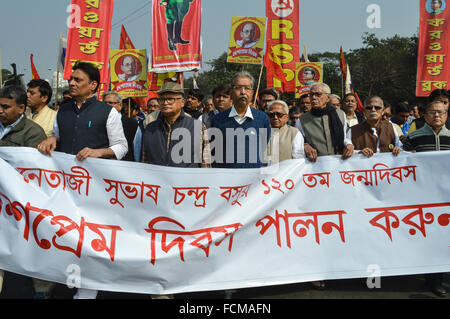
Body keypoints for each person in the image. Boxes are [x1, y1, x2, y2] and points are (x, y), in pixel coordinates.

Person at [37, 62, 127, 299]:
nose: (72, 83)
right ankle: (64, 281)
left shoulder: (109, 112)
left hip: (95, 189)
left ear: (93, 85)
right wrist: (52, 141)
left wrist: (99, 152)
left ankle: (89, 289)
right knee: (67, 234)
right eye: (72, 79)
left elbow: (121, 147)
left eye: (78, 80)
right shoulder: (63, 111)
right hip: (66, 187)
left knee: (90, 237)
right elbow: (56, 135)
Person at [0, 85, 48, 297]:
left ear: (21, 108)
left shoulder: (33, 133)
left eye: (5, 107)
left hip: (17, 205)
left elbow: (34, 174)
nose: (0, 110)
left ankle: (41, 289)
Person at [402, 100, 449, 297]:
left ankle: (437, 277)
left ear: (447, 115)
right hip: (423, 195)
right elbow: (402, 163)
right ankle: (431, 277)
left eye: (441, 112)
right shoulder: (413, 137)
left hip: (446, 195)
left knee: (443, 238)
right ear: (425, 115)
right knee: (428, 236)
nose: (437, 115)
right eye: (432, 112)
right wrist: (404, 154)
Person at [143, 81, 211, 168]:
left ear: (182, 102)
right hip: (157, 180)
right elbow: (144, 163)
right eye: (162, 99)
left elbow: (205, 162)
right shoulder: (150, 128)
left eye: (170, 99)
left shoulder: (197, 126)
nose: (165, 103)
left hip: (188, 180)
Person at [211, 71, 271, 168]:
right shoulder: (218, 119)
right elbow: (215, 152)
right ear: (231, 92)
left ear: (252, 93)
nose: (243, 92)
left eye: (247, 88)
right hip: (226, 179)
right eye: (238, 88)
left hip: (253, 178)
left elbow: (262, 145)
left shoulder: (262, 118)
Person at [296, 83, 354, 163]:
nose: (313, 97)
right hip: (316, 165)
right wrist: (305, 146)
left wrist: (349, 145)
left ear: (328, 98)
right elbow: (298, 144)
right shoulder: (302, 120)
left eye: (318, 94)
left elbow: (344, 137)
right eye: (311, 94)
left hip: (339, 162)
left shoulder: (340, 114)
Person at [103, 91, 138, 162]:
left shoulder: (132, 123)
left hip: (124, 164)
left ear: (120, 105)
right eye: (105, 103)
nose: (107, 106)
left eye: (110, 103)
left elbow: (136, 146)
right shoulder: (98, 121)